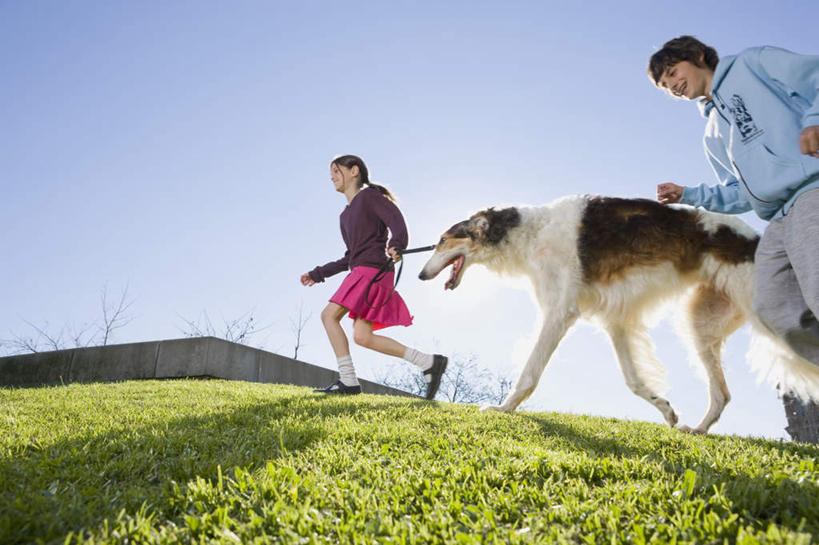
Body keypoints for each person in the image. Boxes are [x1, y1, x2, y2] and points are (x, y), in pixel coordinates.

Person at [648, 35, 819, 364]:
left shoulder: (752, 63)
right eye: (664, 84)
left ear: (698, 56)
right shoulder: (712, 134)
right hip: (779, 219)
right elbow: (740, 192)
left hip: (812, 189)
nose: (672, 85)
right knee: (773, 309)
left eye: (673, 72)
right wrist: (690, 194)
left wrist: (814, 121)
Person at [300, 154, 448, 399]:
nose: (332, 177)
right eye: (331, 173)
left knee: (328, 316)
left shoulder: (369, 197)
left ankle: (348, 381)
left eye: (337, 171)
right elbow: (350, 256)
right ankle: (428, 362)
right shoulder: (345, 216)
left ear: (354, 171)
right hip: (364, 270)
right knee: (362, 336)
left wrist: (397, 244)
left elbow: (396, 219)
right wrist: (318, 274)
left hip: (373, 271)